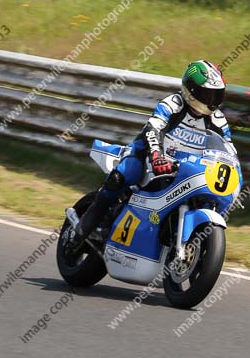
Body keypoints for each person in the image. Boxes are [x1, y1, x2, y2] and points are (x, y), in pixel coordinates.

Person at [71, 61, 233, 245]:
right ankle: (86, 228)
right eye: (208, 94)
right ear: (192, 90)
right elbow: (153, 128)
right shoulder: (174, 104)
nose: (212, 100)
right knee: (124, 175)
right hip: (148, 154)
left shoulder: (217, 119)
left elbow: (227, 149)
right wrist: (156, 155)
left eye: (217, 95)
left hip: (185, 167)